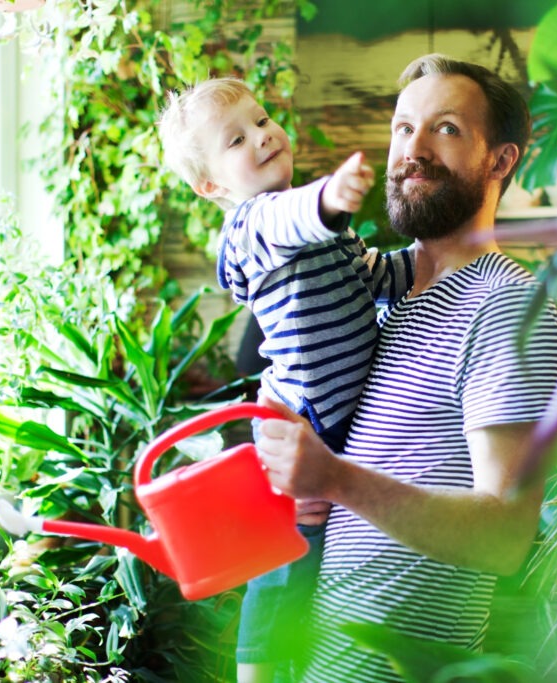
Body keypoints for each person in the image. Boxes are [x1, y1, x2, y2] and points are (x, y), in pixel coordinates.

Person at [254, 54, 557, 681]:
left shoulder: (506, 306)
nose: (414, 149)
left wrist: (337, 479)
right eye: (404, 128)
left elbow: (505, 537)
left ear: (501, 161)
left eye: (447, 129)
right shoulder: (363, 289)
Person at [157, 78, 416, 682]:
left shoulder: (324, 227)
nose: (263, 134)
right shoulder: (253, 226)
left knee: (327, 551)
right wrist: (329, 198)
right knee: (288, 557)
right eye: (237, 138)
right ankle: (258, 673)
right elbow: (291, 219)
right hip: (303, 416)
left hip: (339, 415)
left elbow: (375, 278)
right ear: (212, 186)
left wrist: (433, 258)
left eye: (262, 118)